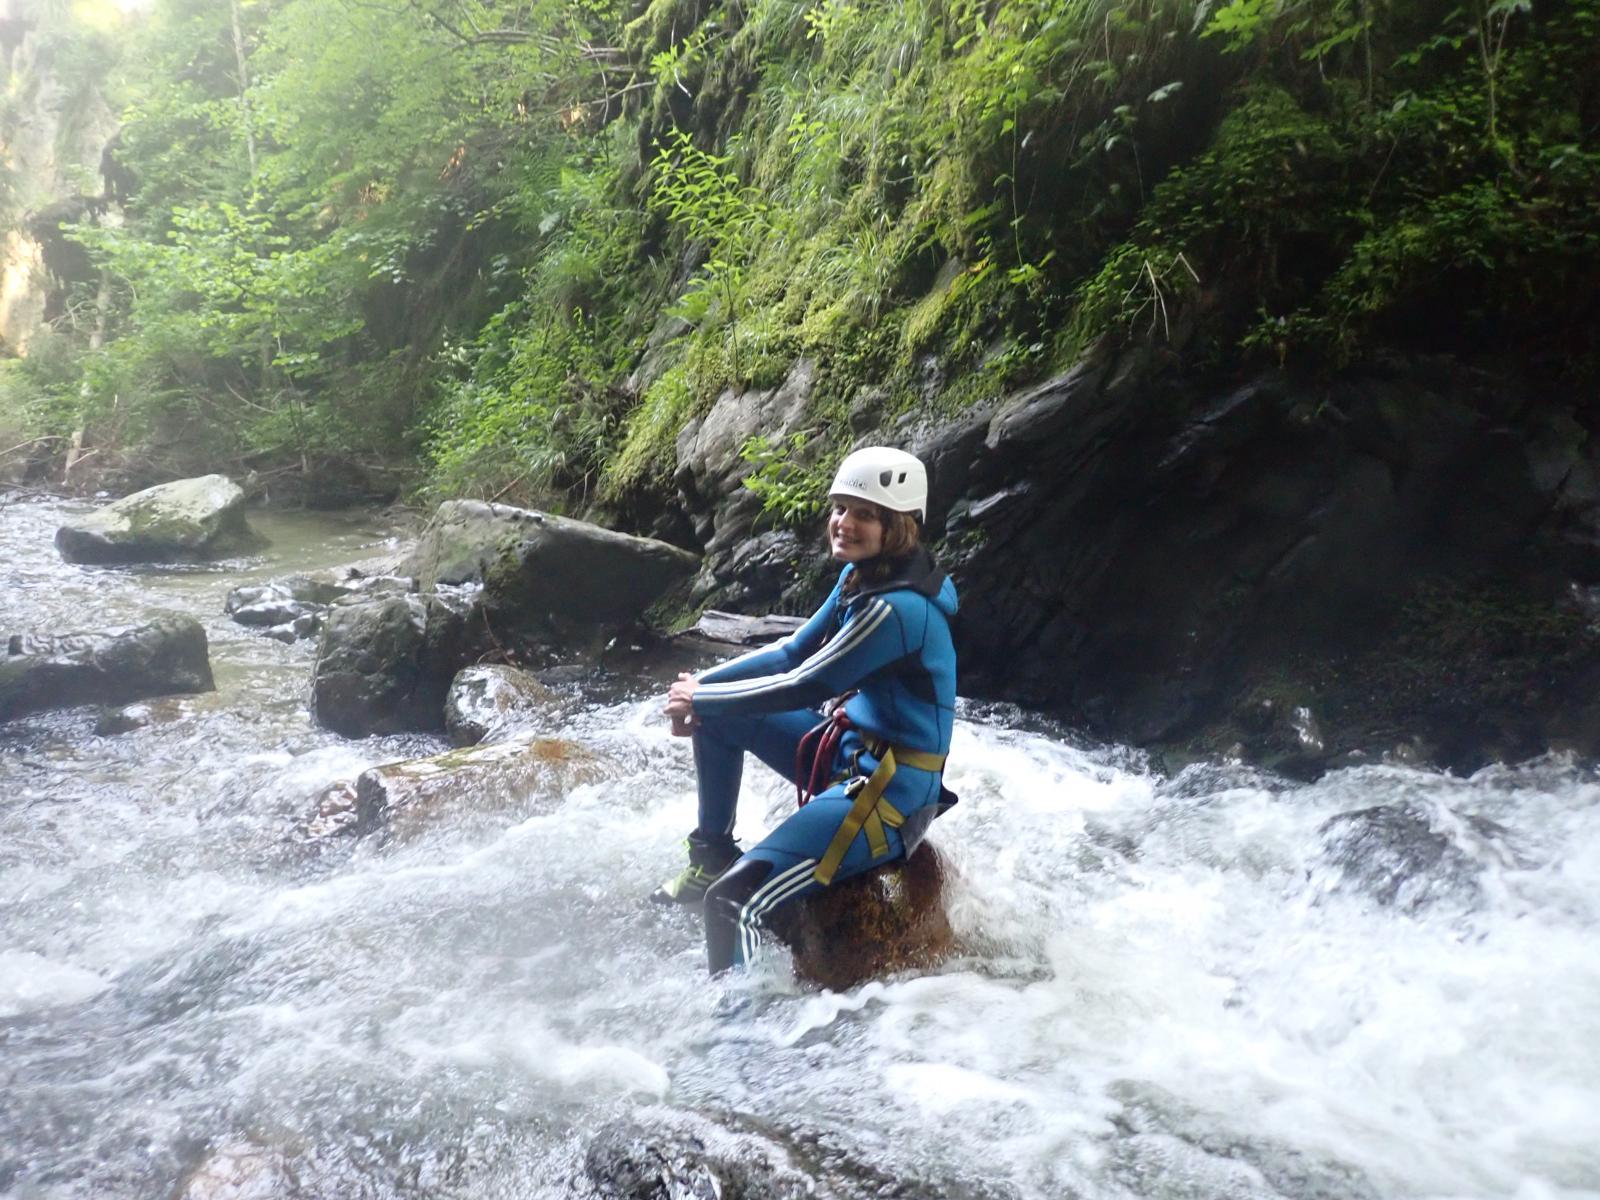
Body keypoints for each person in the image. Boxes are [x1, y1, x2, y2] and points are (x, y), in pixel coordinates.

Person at [658, 445, 959, 975]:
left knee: (733, 904)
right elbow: (790, 649)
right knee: (722, 713)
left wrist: (699, 699)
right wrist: (701, 686)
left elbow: (806, 682)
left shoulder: (895, 609)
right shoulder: (862, 579)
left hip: (887, 794)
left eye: (864, 513)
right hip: (850, 755)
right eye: (840, 508)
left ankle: (736, 1045)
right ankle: (711, 856)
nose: (843, 523)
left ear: (900, 524)